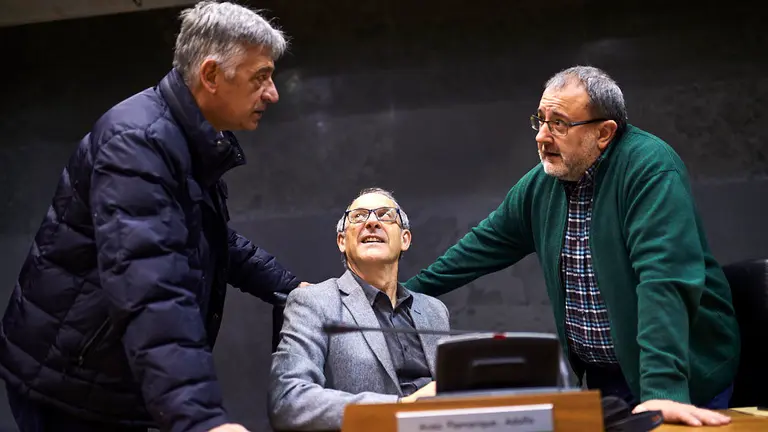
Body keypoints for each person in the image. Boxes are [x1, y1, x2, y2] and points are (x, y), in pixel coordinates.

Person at [0, 2, 308, 432]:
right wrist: (201, 420)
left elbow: (209, 236)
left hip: (107, 374)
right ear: (211, 75)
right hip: (71, 384)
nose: (272, 93)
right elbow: (150, 284)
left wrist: (292, 289)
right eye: (260, 77)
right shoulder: (137, 142)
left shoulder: (188, 136)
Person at [404, 66, 740, 427]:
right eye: (540, 120)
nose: (542, 136)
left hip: (682, 375)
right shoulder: (542, 184)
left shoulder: (649, 168)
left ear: (604, 133)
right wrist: (400, 294)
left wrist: (664, 390)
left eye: (560, 124)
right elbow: (480, 247)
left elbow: (664, 281)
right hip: (606, 378)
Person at [268, 188, 449, 431]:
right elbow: (289, 400)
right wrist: (402, 407)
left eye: (385, 215)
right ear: (342, 241)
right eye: (359, 216)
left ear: (405, 239)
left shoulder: (434, 310)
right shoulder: (313, 302)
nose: (372, 222)